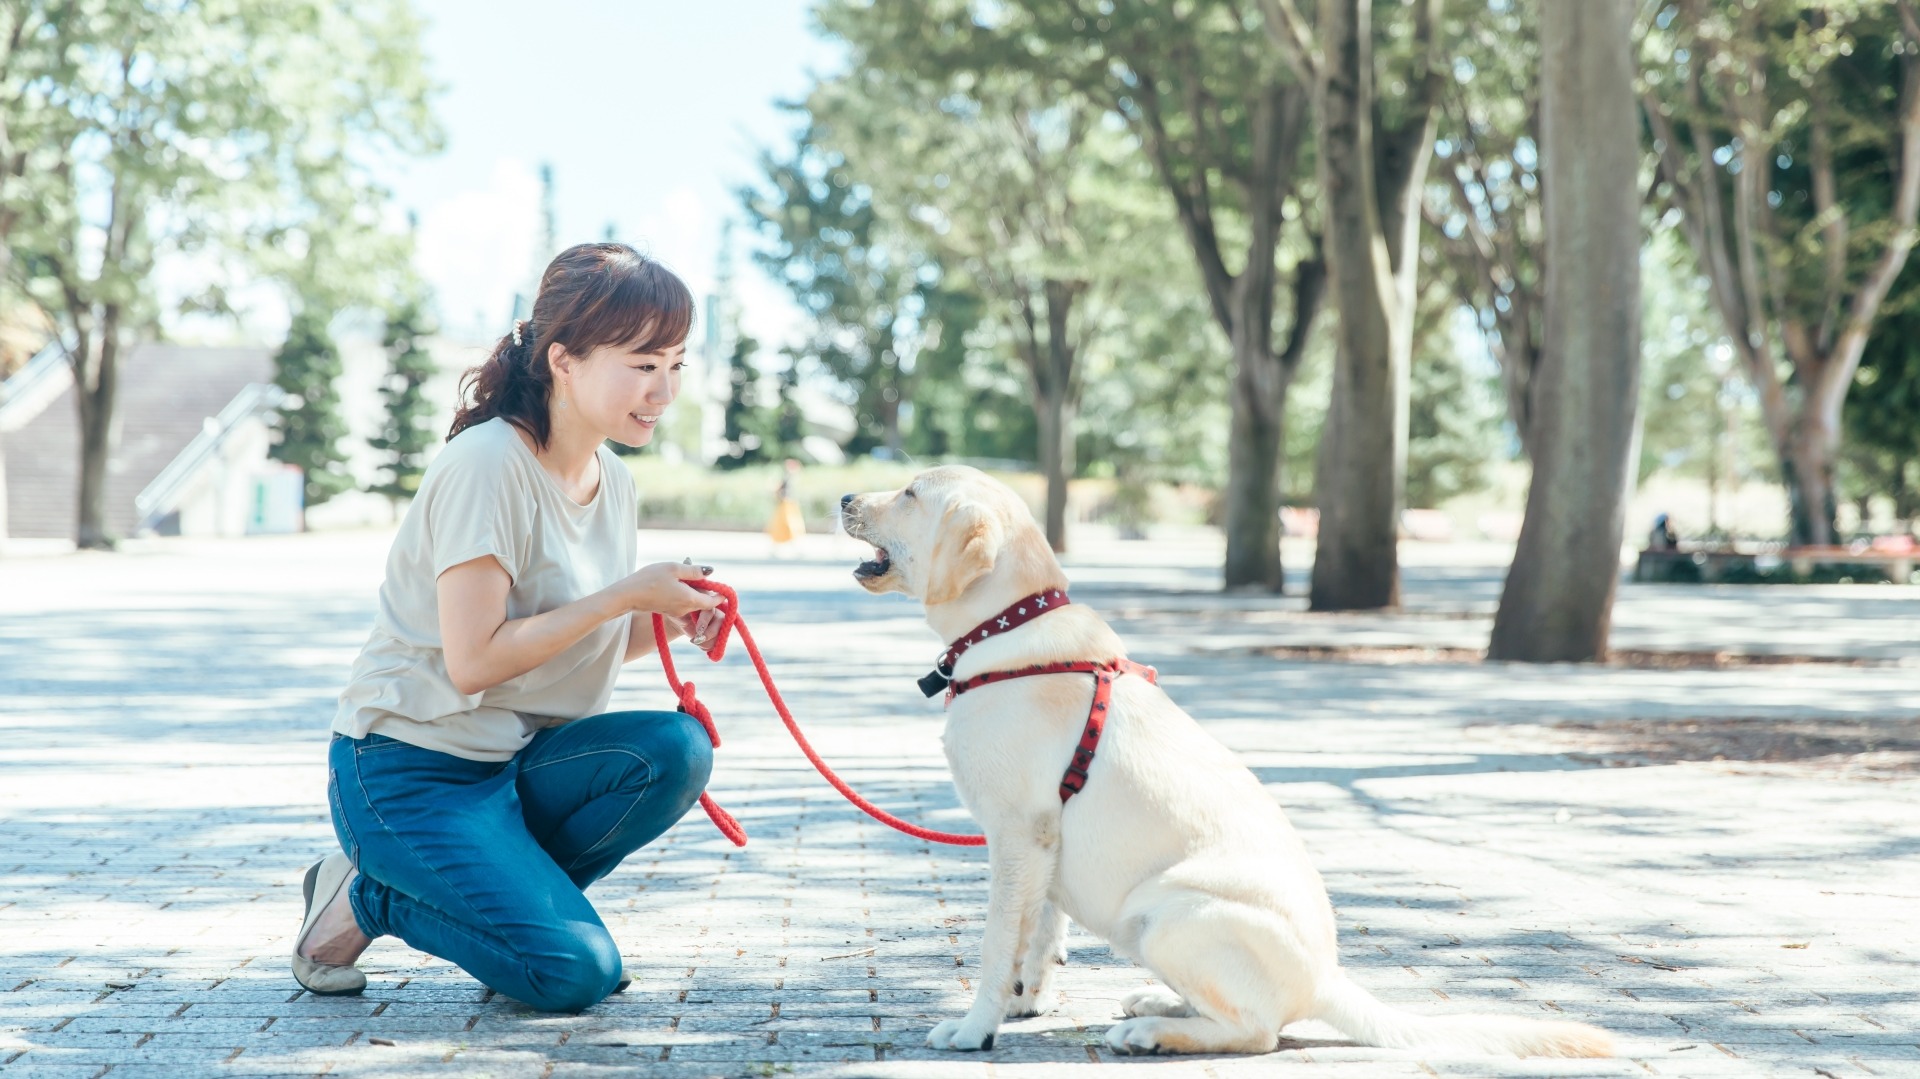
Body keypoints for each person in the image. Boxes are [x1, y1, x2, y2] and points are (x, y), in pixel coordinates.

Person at [291, 243, 727, 1012]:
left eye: (676, 364)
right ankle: (370, 896)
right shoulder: (488, 463)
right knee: (574, 973)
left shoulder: (612, 479)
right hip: (410, 770)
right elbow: (475, 661)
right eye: (641, 363)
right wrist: (626, 595)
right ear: (564, 359)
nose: (662, 390)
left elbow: (572, 641)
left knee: (675, 747)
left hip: (514, 765)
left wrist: (666, 618)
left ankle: (508, 908)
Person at [766, 457, 806, 555]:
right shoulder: (787, 477)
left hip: (788, 504)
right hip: (786, 504)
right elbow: (778, 489)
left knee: (787, 526)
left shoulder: (788, 477)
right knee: (788, 526)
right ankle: (791, 549)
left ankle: (781, 549)